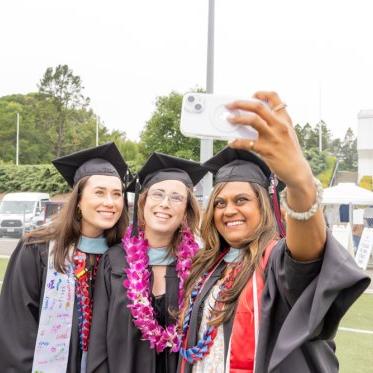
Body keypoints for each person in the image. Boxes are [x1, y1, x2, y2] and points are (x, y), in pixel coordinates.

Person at [177, 91, 371, 373]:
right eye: (220, 203)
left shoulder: (276, 261)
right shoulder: (209, 266)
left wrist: (299, 183)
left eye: (241, 200)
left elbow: (307, 256)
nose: (228, 210)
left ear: (265, 205)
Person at [0, 142, 129, 373]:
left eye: (117, 194)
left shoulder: (123, 256)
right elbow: (16, 328)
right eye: (99, 192)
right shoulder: (37, 249)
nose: (110, 202)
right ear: (78, 200)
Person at [87, 152, 208, 373]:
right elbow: (98, 342)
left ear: (186, 210)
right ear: (143, 202)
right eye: (158, 194)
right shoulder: (114, 261)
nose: (164, 204)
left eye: (176, 198)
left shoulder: (200, 265)